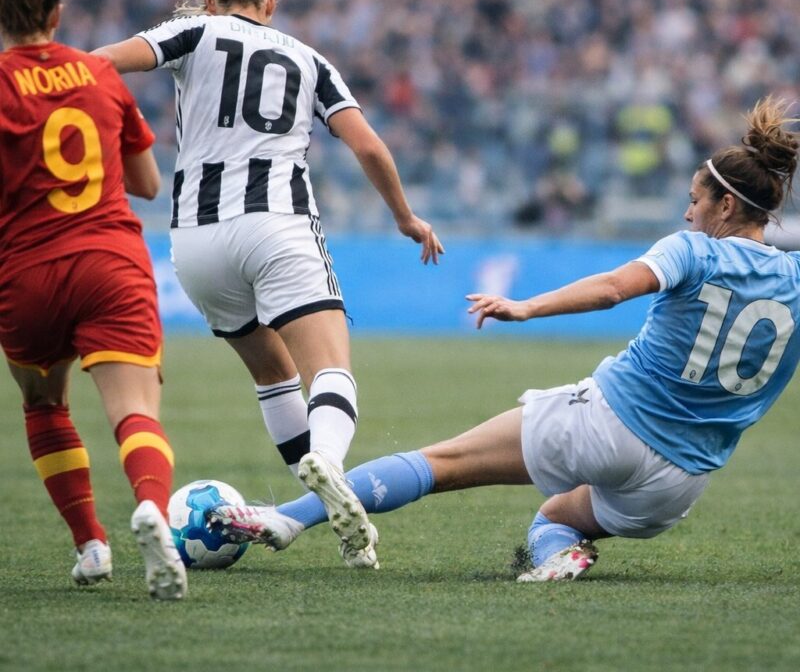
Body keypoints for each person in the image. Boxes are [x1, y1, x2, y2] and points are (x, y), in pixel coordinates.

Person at [206, 97, 800, 577]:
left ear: (726, 205)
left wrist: (526, 306)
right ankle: (558, 556)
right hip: (679, 483)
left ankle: (286, 518)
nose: (689, 214)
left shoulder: (695, 250)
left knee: (441, 462)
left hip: (612, 422)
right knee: (555, 517)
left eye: (695, 201)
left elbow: (614, 288)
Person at [92, 0, 443, 563]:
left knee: (273, 374)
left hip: (196, 241)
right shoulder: (309, 59)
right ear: (271, 2)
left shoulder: (190, 31)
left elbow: (99, 66)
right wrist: (404, 216)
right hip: (276, 224)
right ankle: (327, 462)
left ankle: (326, 505)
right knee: (329, 370)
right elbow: (368, 145)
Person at [0, 0, 186, 600]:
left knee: (44, 403)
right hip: (110, 263)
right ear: (57, 13)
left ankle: (91, 546)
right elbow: (148, 182)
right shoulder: (99, 73)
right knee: (134, 412)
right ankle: (152, 510)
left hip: (26, 273)